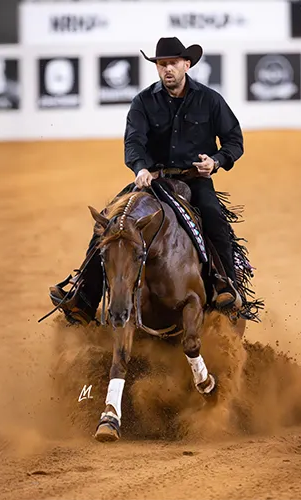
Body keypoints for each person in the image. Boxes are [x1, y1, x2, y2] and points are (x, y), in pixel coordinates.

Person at [48, 36, 247, 325]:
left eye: (173, 64)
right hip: (151, 181)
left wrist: (215, 162)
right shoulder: (143, 101)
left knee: (214, 218)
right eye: (162, 64)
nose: (167, 69)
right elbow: (133, 143)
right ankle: (84, 298)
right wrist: (140, 167)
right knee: (108, 221)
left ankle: (224, 286)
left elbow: (234, 141)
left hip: (194, 181)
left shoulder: (209, 100)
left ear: (186, 64)